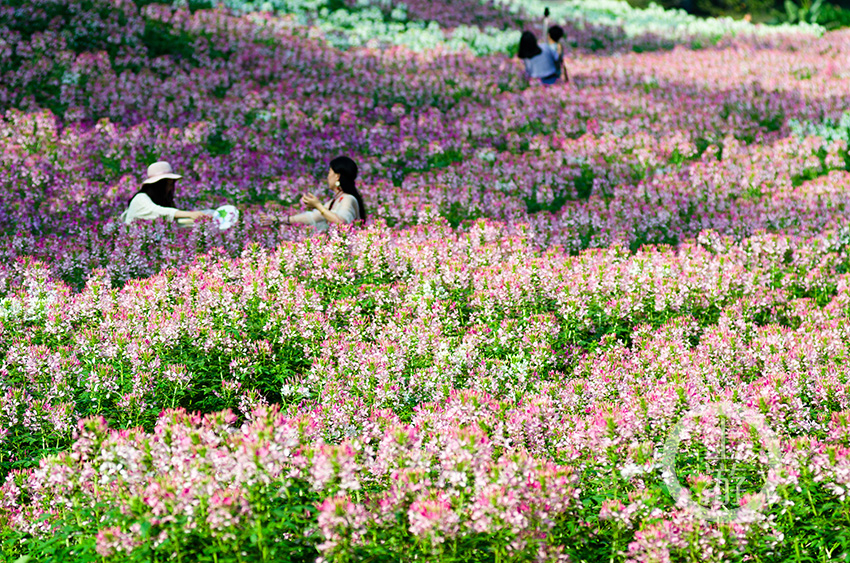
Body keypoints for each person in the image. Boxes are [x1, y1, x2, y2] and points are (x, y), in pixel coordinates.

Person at [282, 156, 366, 232]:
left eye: (329, 173)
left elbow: (341, 223)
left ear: (337, 176)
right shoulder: (335, 201)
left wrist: (318, 205)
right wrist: (283, 220)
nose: (328, 177)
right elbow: (312, 216)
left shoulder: (348, 199)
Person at [121, 161, 206, 225]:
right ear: (158, 185)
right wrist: (190, 214)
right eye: (168, 184)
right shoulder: (140, 198)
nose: (171, 188)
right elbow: (157, 211)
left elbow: (175, 224)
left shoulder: (159, 201)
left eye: (172, 184)